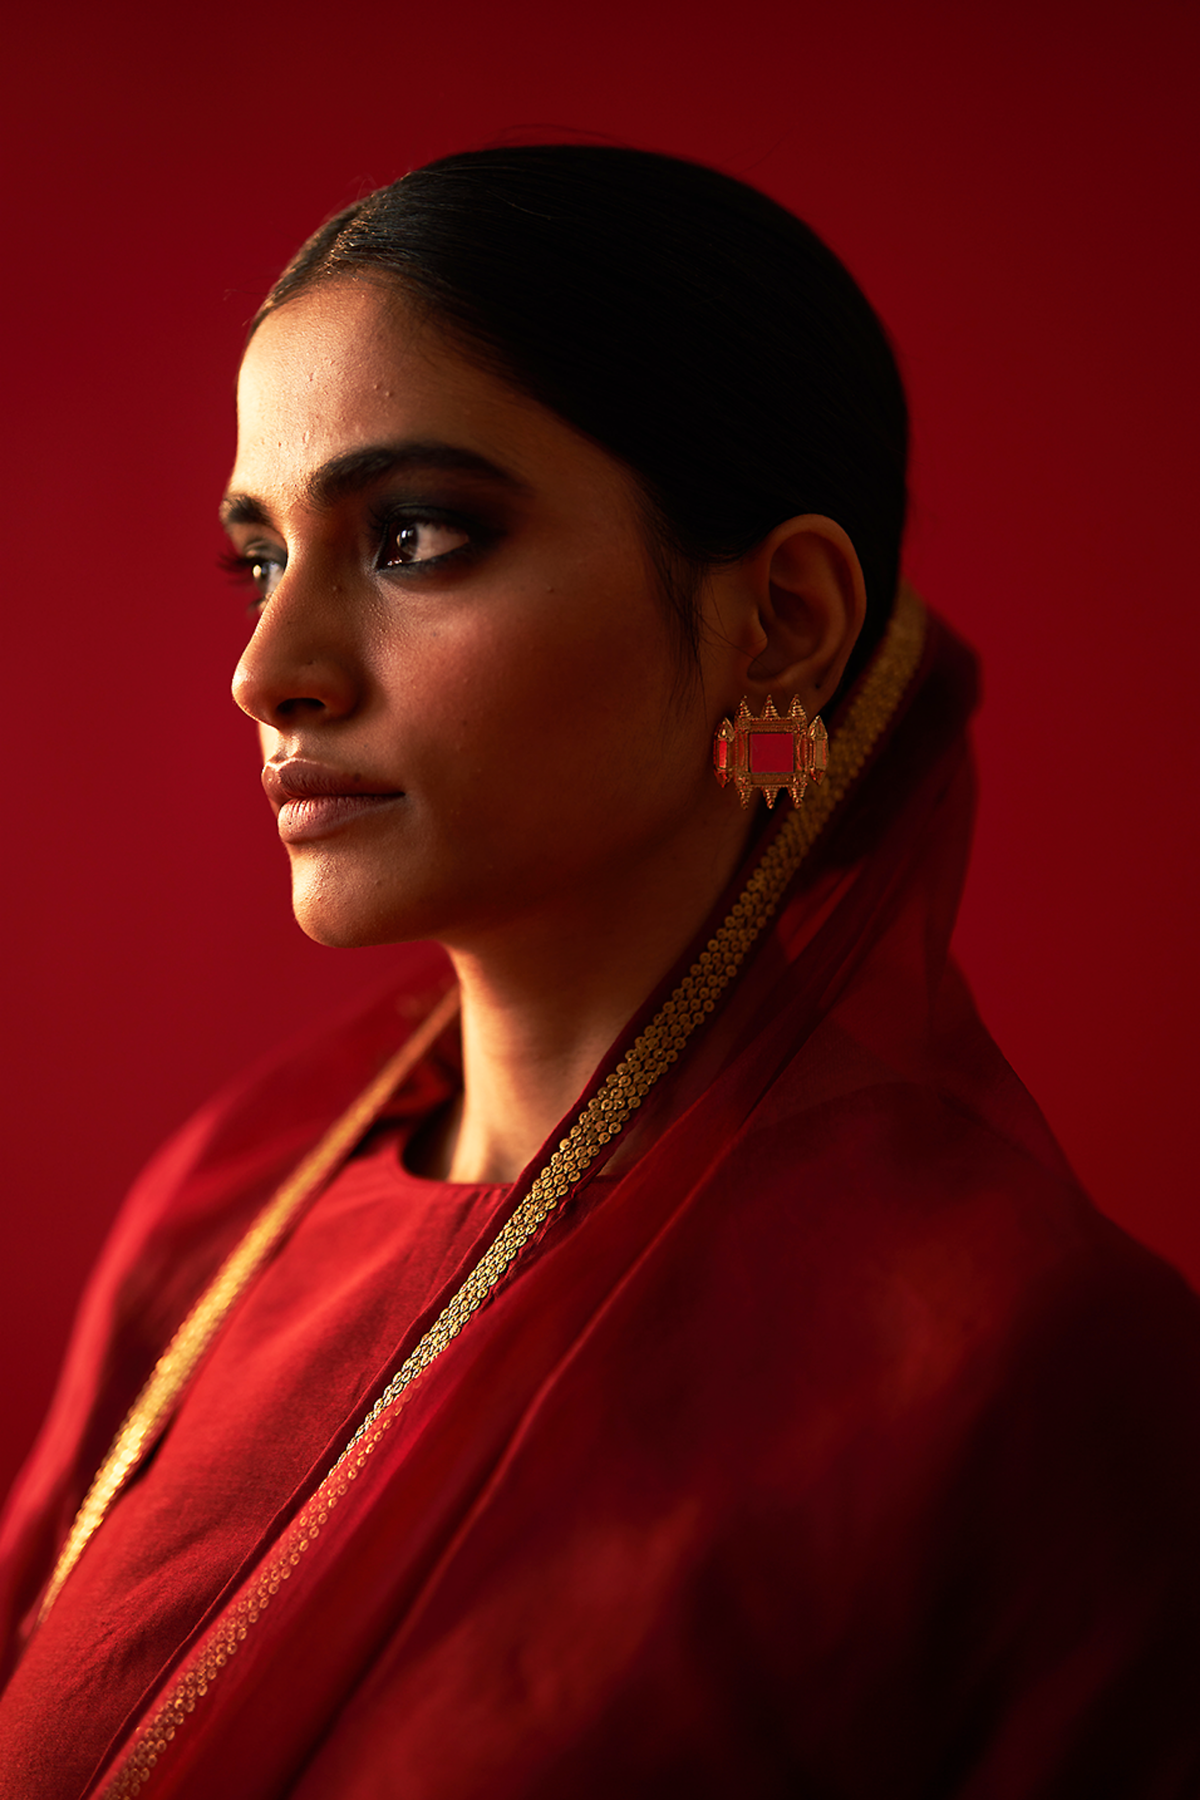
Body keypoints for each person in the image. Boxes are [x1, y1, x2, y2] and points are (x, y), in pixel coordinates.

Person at [1, 144, 1198, 1799]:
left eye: (415, 536)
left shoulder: (1031, 1368)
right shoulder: (225, 1213)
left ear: (780, 623)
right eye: (260, 555)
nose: (268, 672)